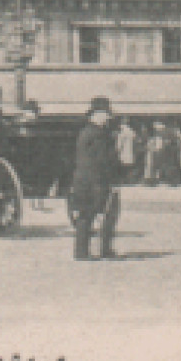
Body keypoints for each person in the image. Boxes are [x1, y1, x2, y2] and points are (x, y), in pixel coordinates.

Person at [69, 96, 120, 261]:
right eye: (105, 114)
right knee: (107, 213)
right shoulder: (98, 135)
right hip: (96, 180)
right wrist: (113, 179)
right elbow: (103, 160)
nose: (108, 117)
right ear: (96, 115)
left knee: (86, 215)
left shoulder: (86, 132)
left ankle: (82, 252)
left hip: (84, 180)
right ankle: (103, 250)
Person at [114, 119, 138, 186]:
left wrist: (117, 150)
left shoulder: (122, 133)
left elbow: (119, 145)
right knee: (130, 167)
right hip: (131, 152)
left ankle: (124, 181)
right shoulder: (132, 132)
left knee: (123, 168)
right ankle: (130, 181)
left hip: (123, 153)